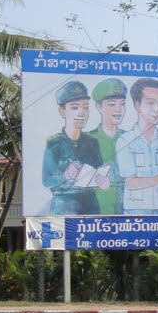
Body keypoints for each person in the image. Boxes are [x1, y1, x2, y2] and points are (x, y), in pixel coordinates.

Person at [42, 80, 109, 215]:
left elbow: (99, 170)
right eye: (74, 107)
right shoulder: (54, 143)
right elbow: (47, 180)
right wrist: (65, 175)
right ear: (62, 111)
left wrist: (104, 182)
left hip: (91, 202)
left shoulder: (92, 142)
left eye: (85, 107)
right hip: (64, 203)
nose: (82, 113)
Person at [115, 78, 158, 215]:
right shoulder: (125, 140)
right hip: (136, 212)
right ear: (137, 105)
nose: (157, 109)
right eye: (150, 103)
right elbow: (131, 183)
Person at [88, 78, 127, 215]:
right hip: (97, 214)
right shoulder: (87, 140)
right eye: (112, 104)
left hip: (130, 213)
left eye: (122, 104)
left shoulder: (131, 139)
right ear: (99, 107)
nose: (118, 109)